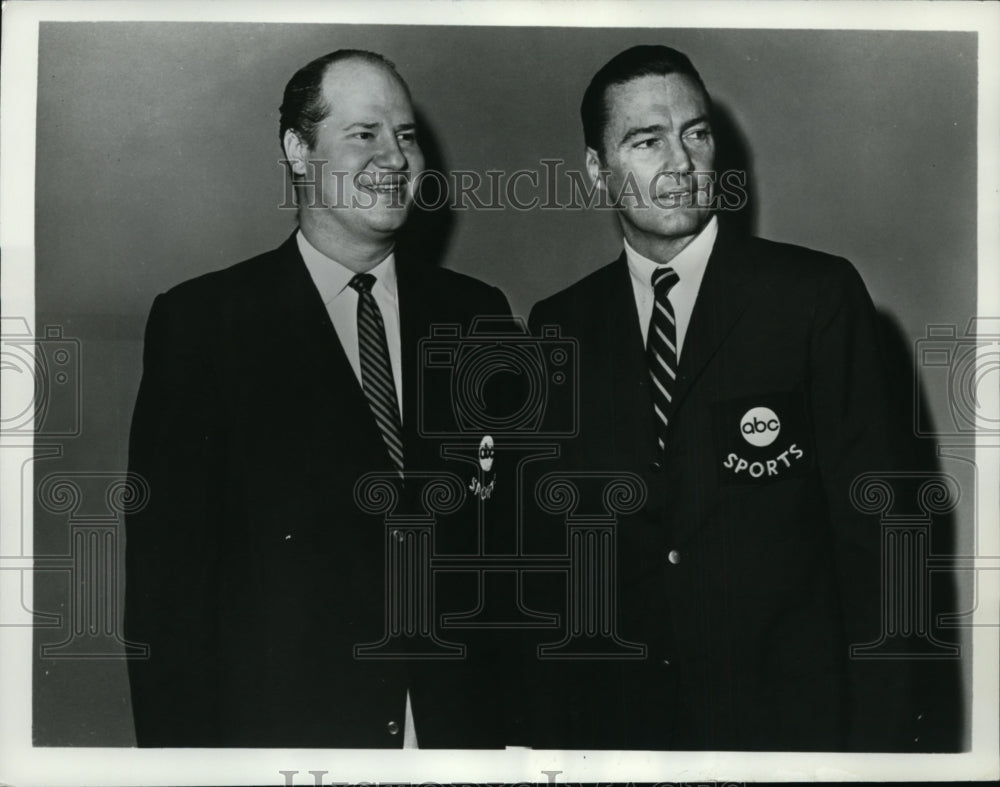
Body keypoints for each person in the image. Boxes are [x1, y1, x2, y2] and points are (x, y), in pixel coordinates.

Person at [524, 44, 945, 751]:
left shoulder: (813, 297)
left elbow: (885, 541)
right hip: (622, 736)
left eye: (695, 133)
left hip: (789, 736)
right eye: (646, 141)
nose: (680, 163)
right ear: (597, 169)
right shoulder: (559, 325)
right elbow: (552, 568)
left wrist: (882, 752)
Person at [124, 49, 511, 748]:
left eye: (406, 134)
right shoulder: (206, 324)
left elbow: (511, 554)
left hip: (460, 737)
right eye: (364, 134)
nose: (394, 157)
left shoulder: (479, 315)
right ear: (298, 151)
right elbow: (167, 595)